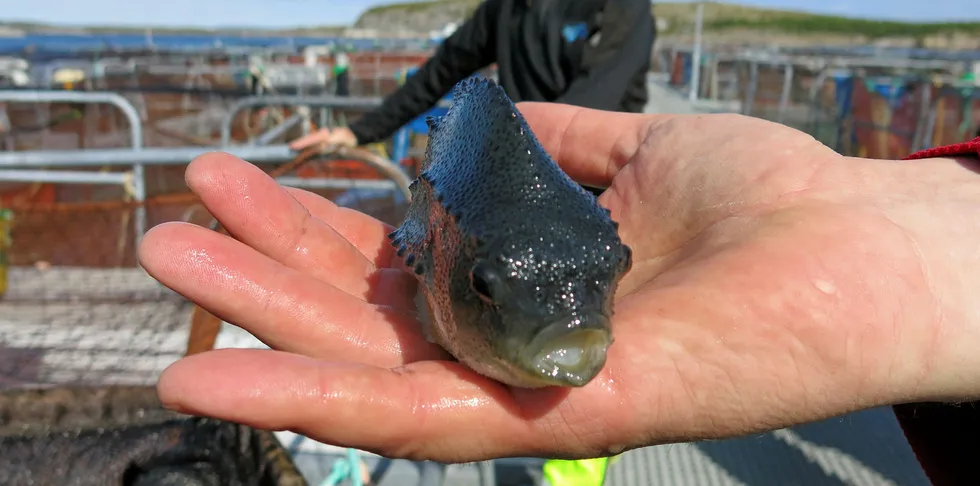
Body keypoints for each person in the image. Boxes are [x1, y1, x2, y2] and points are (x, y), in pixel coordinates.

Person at [140, 106, 980, 484]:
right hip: (516, 181)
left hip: (571, 175)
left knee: (574, 448)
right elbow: (457, 86)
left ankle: (572, 469)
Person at [289, 0, 656, 153]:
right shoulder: (508, 7)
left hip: (598, 182)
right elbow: (441, 70)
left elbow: (591, 109)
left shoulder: (624, 7)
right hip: (521, 163)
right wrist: (358, 132)